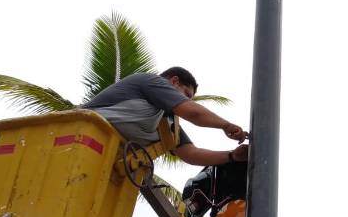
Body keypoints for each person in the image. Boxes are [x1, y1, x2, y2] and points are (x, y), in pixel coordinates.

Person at [82, 67, 248, 165]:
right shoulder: (151, 81)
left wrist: (232, 155)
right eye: (186, 95)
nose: (185, 100)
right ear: (174, 81)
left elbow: (190, 154)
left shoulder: (166, 121)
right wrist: (226, 125)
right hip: (81, 133)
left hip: (102, 158)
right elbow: (193, 112)